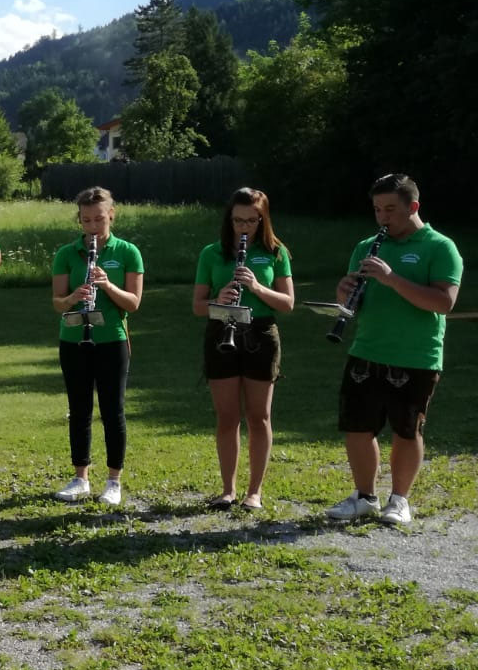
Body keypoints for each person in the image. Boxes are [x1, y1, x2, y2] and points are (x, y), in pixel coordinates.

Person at [326, 173, 463, 527]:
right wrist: (344, 295)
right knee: (357, 426)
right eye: (376, 209)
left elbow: (444, 303)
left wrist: (391, 278)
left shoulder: (440, 247)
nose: (382, 217)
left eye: (390, 209)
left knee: (406, 430)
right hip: (366, 348)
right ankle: (364, 497)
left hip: (416, 355)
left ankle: (399, 500)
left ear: (413, 207)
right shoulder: (366, 246)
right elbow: (355, 305)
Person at [191, 189, 294, 511]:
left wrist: (256, 287)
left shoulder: (275, 252)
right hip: (222, 329)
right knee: (227, 417)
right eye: (238, 220)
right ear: (229, 219)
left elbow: (288, 304)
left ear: (262, 219)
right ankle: (227, 489)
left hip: (261, 333)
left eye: (251, 220)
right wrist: (217, 301)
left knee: (259, 416)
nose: (244, 226)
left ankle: (255, 492)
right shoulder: (212, 253)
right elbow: (197, 306)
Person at [50, 187, 144, 507]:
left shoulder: (128, 251)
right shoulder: (66, 253)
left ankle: (114, 481)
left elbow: (132, 303)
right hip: (74, 339)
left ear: (111, 215)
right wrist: (74, 297)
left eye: (99, 219)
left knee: (112, 410)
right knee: (79, 409)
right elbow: (58, 303)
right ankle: (80, 478)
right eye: (86, 220)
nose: (92, 226)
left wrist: (107, 285)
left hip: (112, 340)